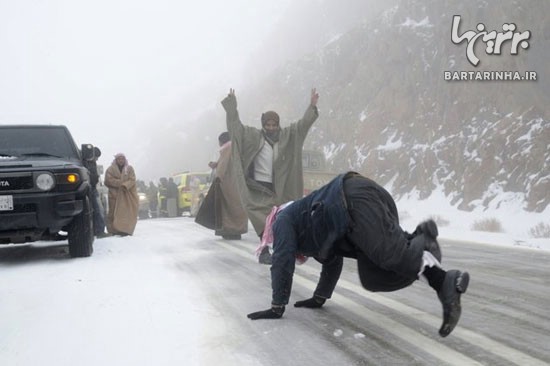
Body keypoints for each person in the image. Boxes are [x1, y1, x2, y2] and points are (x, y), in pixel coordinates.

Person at [246, 172, 470, 338]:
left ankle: (423, 238)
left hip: (350, 196)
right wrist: (319, 297)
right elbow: (332, 261)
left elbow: (282, 259)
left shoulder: (282, 220)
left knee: (390, 254)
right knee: (375, 276)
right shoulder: (310, 231)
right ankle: (443, 281)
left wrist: (277, 306)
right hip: (354, 209)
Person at [221, 88, 320, 264]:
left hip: (282, 188)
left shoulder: (288, 135)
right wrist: (231, 107)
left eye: (274, 125)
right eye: (268, 125)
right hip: (259, 187)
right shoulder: (253, 136)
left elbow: (302, 126)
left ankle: (288, 248)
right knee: (262, 218)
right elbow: (235, 127)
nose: (271, 128)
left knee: (285, 218)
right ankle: (264, 250)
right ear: (263, 125)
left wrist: (311, 107)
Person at [195, 132, 248, 239]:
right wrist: (215, 164)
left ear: (221, 141)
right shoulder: (236, 147)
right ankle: (236, 230)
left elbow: (223, 167)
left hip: (228, 183)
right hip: (239, 184)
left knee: (227, 209)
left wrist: (218, 178)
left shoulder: (227, 148)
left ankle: (230, 231)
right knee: (238, 207)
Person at [104, 153, 139, 236]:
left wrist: (125, 185)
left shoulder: (129, 169)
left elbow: (132, 179)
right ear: (116, 160)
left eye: (122, 159)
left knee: (125, 213)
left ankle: (125, 229)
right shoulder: (110, 169)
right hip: (114, 195)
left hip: (126, 194)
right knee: (113, 212)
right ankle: (113, 230)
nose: (121, 161)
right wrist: (120, 183)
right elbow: (108, 180)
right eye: (119, 159)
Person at [83, 146, 107, 238]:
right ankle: (99, 231)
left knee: (97, 210)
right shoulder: (85, 162)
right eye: (96, 156)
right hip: (90, 188)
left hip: (92, 188)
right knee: (98, 210)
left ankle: (97, 231)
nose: (97, 159)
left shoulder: (91, 163)